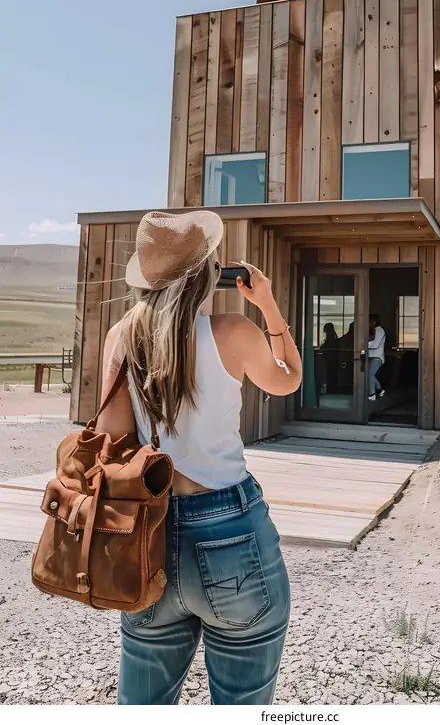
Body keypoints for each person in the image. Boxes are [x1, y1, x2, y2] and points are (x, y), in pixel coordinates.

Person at [96, 210, 302, 705]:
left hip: (150, 528)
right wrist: (269, 305)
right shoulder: (233, 330)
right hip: (231, 529)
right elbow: (289, 377)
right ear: (208, 273)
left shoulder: (122, 337)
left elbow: (111, 437)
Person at [367, 313, 386, 401]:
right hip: (372, 356)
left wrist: (363, 345)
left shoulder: (379, 331)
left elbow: (375, 344)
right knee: (370, 375)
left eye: (369, 321)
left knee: (370, 375)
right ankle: (380, 390)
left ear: (374, 322)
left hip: (377, 357)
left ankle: (372, 394)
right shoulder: (374, 330)